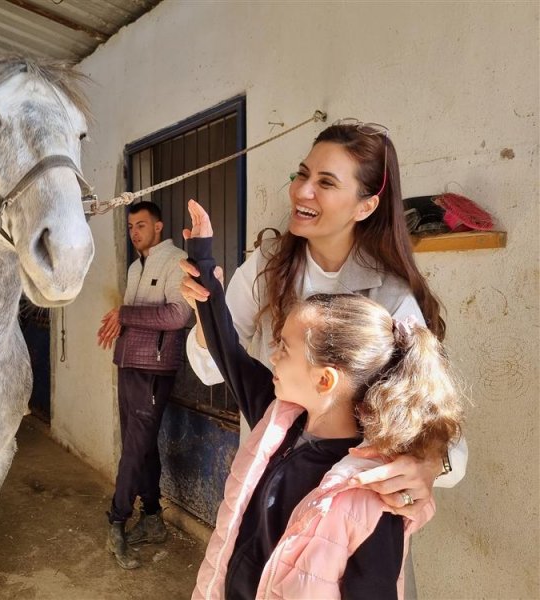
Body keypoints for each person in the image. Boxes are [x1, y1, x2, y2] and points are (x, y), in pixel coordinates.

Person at [180, 122, 467, 518]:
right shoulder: (266, 268)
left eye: (326, 182)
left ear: (365, 205)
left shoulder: (392, 298)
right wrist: (203, 314)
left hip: (348, 508)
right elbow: (211, 369)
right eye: (302, 174)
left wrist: (428, 465)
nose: (302, 190)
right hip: (269, 485)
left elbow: (438, 428)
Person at [184, 203, 464, 598]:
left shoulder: (371, 495)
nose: (273, 356)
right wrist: (204, 264)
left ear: (324, 379)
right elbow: (228, 350)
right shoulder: (277, 419)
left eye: (283, 348)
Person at [97, 200, 192, 569]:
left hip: (153, 370)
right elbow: (136, 318)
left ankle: (117, 521)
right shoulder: (138, 266)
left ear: (158, 226)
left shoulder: (176, 259)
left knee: (134, 450)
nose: (134, 232)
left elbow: (177, 315)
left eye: (140, 225)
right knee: (142, 445)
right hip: (129, 364)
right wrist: (121, 322)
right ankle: (152, 517)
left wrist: (125, 314)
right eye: (130, 227)